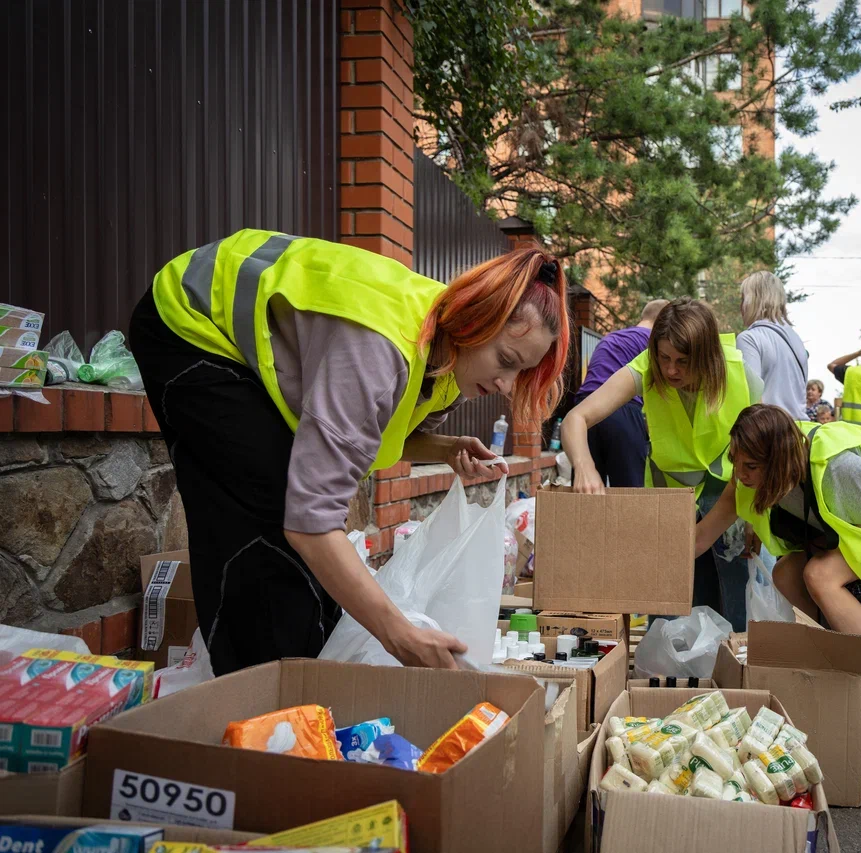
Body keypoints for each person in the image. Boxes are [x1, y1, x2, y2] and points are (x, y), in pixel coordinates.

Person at [130, 230, 570, 675]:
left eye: (523, 372)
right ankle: (257, 701)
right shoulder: (379, 351)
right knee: (264, 525)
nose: (506, 386)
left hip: (257, 352)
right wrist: (397, 633)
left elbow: (367, 432)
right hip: (193, 320)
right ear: (476, 321)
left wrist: (446, 447)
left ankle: (300, 682)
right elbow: (309, 521)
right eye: (507, 360)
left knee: (308, 567)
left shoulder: (447, 368)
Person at [694, 405, 861, 649]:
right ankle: (822, 656)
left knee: (819, 574)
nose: (739, 474)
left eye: (750, 466)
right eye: (735, 461)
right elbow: (700, 538)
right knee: (786, 572)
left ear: (778, 461)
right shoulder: (752, 475)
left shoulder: (835, 469)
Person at [562, 298, 762, 629]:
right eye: (664, 358)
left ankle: (734, 666)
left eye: (683, 361)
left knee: (734, 597)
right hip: (671, 496)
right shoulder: (646, 368)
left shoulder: (742, 375)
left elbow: (763, 455)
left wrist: (755, 517)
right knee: (669, 603)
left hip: (730, 497)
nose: (670, 370)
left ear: (706, 357)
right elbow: (576, 418)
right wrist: (585, 466)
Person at [573, 299, 668, 487]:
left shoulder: (611, 337)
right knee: (629, 493)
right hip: (621, 409)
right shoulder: (655, 343)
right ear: (663, 322)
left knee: (586, 493)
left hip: (584, 411)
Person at [736, 271, 809, 418]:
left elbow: (752, 400)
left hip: (772, 433)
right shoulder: (795, 339)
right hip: (801, 431)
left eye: (743, 299)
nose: (740, 306)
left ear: (753, 300)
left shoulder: (749, 339)